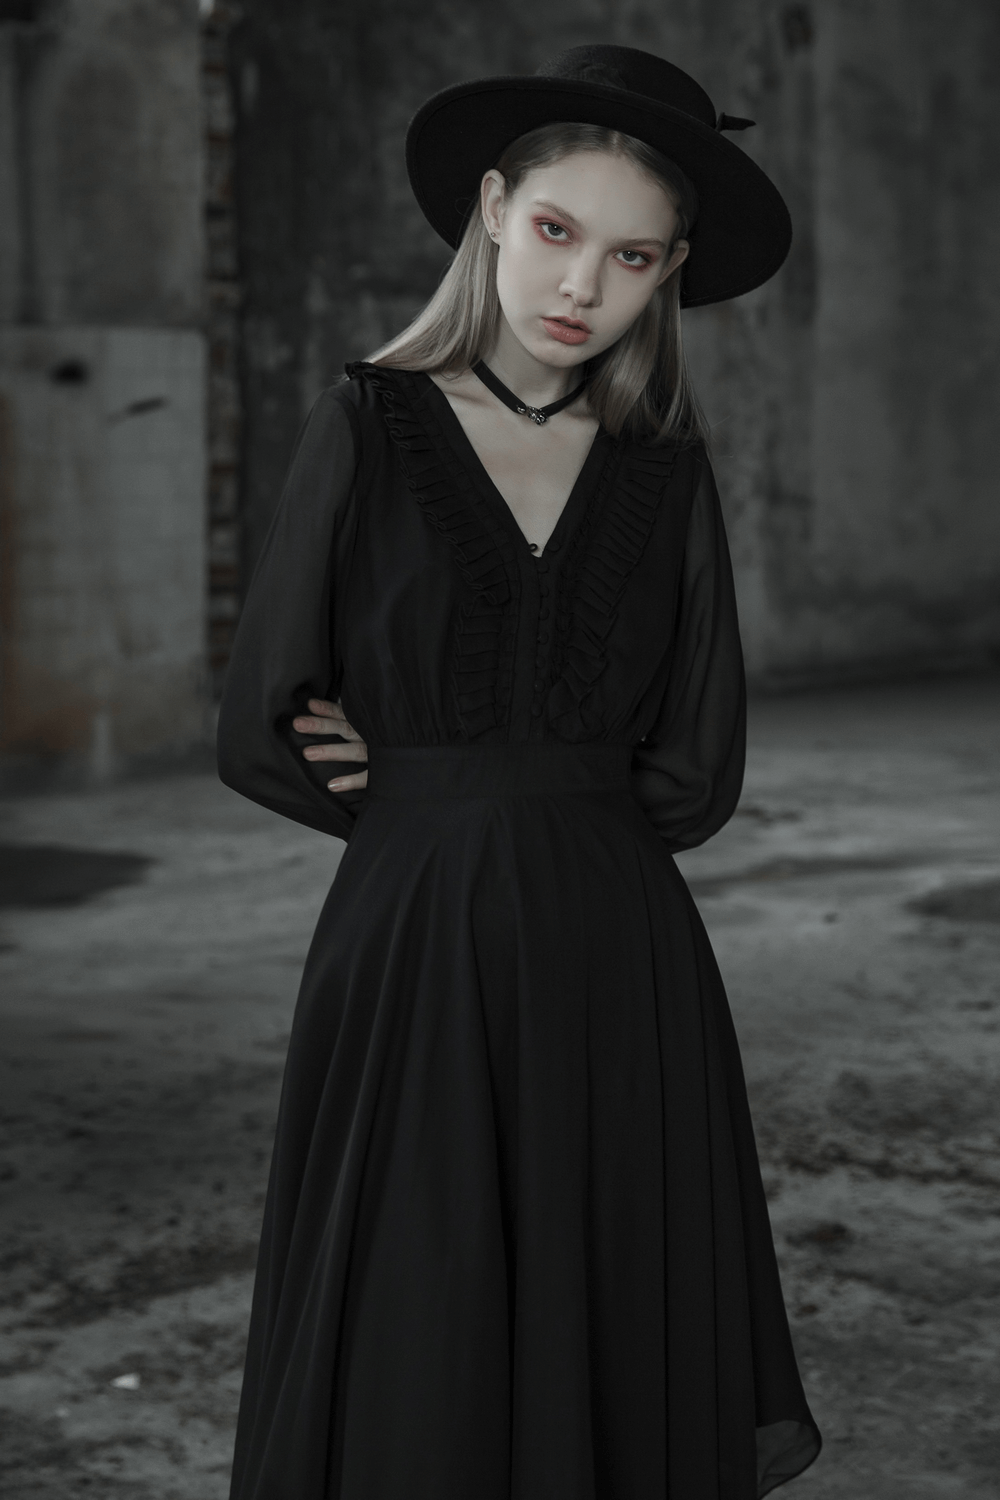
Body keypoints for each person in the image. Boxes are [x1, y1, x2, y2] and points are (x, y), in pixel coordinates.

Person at [218, 42, 822, 1500]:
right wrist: (436, 788)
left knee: (607, 1270)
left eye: (631, 256)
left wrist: (505, 782)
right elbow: (260, 721)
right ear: (491, 208)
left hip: (620, 947)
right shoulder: (369, 419)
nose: (581, 288)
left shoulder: (666, 462)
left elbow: (700, 763)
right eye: (557, 231)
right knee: (422, 1289)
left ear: (668, 272)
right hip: (414, 932)